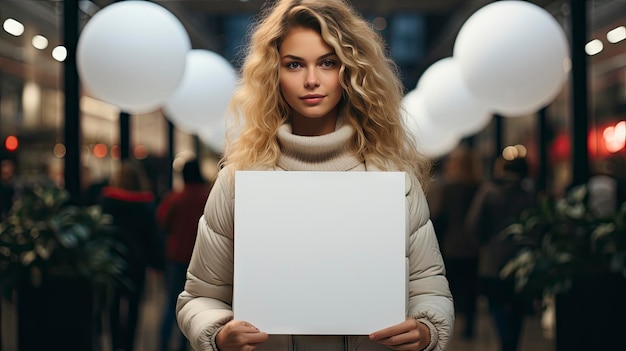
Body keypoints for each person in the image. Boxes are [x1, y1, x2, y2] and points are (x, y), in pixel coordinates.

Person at [176, 1, 454, 350]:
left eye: (327, 63)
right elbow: (198, 297)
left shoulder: (392, 180)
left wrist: (426, 329)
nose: (311, 80)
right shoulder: (239, 181)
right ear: (273, 73)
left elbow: (430, 289)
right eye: (294, 64)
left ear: (351, 69)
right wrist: (218, 333)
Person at [465, 156, 535, 351]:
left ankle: (505, 342)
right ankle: (512, 343)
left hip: (493, 260)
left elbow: (473, 224)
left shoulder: (489, 191)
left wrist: (483, 243)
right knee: (518, 307)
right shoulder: (529, 193)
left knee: (496, 304)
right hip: (523, 260)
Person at [100, 160, 161, 351]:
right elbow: (152, 237)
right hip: (137, 262)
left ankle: (115, 344)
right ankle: (129, 345)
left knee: (113, 306)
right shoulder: (146, 205)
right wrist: (155, 264)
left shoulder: (107, 202)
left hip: (113, 261)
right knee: (134, 306)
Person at [157, 159, 213, 351]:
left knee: (172, 302)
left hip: (176, 256)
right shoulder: (208, 196)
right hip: (202, 258)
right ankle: (184, 344)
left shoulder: (175, 198)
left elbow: (162, 222)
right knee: (198, 304)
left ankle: (163, 343)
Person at [430, 145, 482, 339]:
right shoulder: (479, 188)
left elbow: (439, 218)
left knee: (451, 287)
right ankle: (468, 327)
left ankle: (449, 325)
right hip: (473, 247)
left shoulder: (448, 189)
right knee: (470, 288)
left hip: (451, 246)